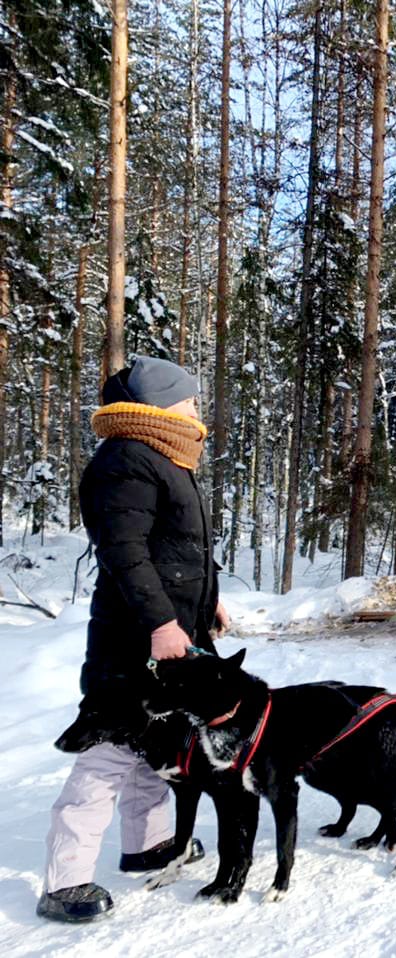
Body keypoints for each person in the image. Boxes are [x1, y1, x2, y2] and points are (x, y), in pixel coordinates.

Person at [38, 356, 231, 923]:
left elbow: (181, 549)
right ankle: (64, 881)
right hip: (132, 641)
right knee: (108, 754)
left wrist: (206, 600)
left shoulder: (166, 457)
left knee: (159, 744)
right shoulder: (126, 460)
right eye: (191, 400)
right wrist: (160, 624)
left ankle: (147, 846)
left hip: (170, 631)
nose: (197, 411)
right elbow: (125, 554)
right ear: (160, 405)